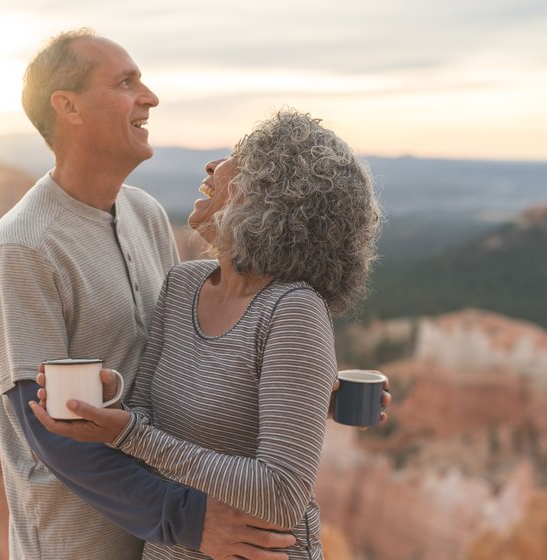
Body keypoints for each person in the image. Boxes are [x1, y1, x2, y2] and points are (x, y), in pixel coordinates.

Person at [0, 28, 300, 559]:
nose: (150, 97)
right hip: (78, 542)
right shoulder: (26, 247)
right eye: (126, 83)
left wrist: (303, 381)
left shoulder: (147, 214)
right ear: (69, 107)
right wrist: (188, 518)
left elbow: (194, 352)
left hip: (163, 545)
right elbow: (50, 431)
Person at [31, 109, 383, 560]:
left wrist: (126, 434)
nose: (211, 166)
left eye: (238, 158)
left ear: (274, 197)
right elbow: (145, 414)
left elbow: (281, 494)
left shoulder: (293, 310)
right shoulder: (183, 284)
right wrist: (110, 406)